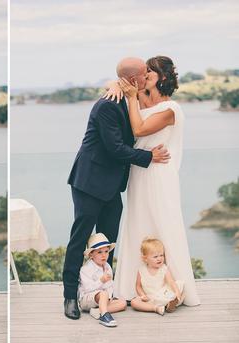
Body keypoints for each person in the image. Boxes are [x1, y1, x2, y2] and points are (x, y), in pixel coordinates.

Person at [63, 57, 171, 320]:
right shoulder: (107, 106)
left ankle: (104, 290)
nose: (148, 75)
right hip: (89, 183)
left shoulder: (133, 96)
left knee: (108, 243)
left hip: (112, 187)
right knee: (80, 239)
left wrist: (117, 83)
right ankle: (69, 297)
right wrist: (149, 157)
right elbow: (115, 149)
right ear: (134, 79)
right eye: (145, 72)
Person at [109, 56, 200, 306]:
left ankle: (174, 288)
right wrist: (118, 86)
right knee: (137, 222)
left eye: (149, 70)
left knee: (164, 223)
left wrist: (129, 97)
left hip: (160, 173)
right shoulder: (142, 98)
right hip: (139, 171)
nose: (145, 73)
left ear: (161, 76)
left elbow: (138, 130)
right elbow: (111, 85)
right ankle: (132, 287)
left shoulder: (170, 110)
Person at [78, 233, 126, 327]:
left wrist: (111, 297)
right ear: (91, 254)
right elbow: (87, 288)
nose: (104, 255)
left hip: (103, 299)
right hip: (87, 299)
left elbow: (110, 285)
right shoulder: (86, 269)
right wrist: (101, 281)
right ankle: (104, 315)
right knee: (103, 293)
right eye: (99, 252)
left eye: (106, 251)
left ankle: (97, 311)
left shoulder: (107, 267)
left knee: (122, 303)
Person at [130, 238, 185, 315]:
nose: (159, 258)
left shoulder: (163, 268)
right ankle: (156, 308)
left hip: (163, 293)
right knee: (134, 302)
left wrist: (177, 292)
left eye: (161, 255)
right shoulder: (141, 270)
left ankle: (171, 303)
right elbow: (138, 286)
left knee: (178, 284)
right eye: (155, 257)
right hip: (151, 298)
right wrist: (143, 295)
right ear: (145, 258)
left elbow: (171, 282)